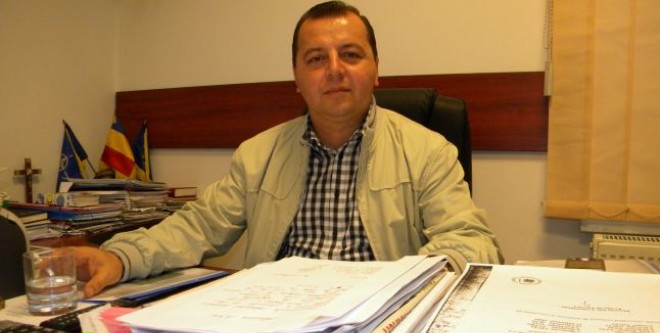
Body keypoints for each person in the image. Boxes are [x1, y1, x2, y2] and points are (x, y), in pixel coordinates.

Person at [72, 0, 503, 298]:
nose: (334, 70)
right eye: (316, 59)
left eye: (351, 54)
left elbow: (470, 241)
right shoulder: (257, 155)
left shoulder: (429, 151)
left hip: (377, 321)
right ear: (296, 78)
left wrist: (400, 285)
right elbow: (196, 228)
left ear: (376, 71)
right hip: (276, 322)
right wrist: (120, 257)